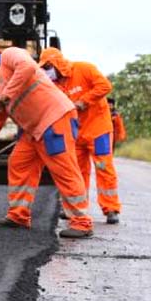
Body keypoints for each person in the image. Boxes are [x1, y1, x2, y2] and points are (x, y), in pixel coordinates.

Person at [0, 44, 94, 239]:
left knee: (64, 169)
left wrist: (9, 93)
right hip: (33, 129)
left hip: (54, 119)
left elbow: (28, 67)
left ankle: (81, 222)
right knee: (19, 163)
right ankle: (18, 215)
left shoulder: (10, 55)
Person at [39, 48, 122, 224]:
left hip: (99, 130)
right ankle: (77, 209)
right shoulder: (53, 85)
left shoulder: (84, 69)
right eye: (43, 68)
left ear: (57, 63)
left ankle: (111, 209)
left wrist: (84, 101)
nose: (46, 71)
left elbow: (105, 86)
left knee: (103, 167)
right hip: (75, 132)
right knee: (76, 171)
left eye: (48, 66)